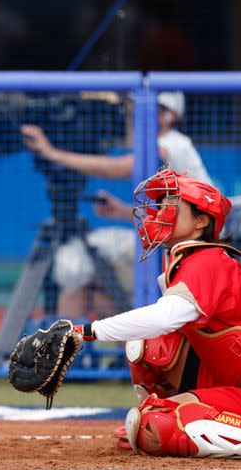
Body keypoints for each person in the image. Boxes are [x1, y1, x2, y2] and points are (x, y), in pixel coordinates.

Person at [73, 168, 241, 459]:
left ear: (201, 221)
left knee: (160, 422)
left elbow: (163, 317)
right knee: (152, 349)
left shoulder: (206, 260)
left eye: (170, 206)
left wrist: (84, 332)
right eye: (159, 205)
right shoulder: (197, 258)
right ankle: (169, 419)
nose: (158, 213)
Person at [20, 92, 211, 319]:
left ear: (168, 115)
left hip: (190, 256)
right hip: (174, 249)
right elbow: (171, 217)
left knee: (76, 261)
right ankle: (69, 351)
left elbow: (120, 168)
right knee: (82, 290)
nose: (132, 115)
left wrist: (51, 153)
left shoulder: (171, 144)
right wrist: (121, 210)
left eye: (141, 109)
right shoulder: (165, 145)